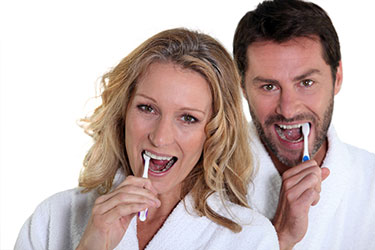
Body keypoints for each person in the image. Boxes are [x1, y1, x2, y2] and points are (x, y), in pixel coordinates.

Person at [15, 28, 278, 250]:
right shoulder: (53, 218)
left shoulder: (249, 238)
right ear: (123, 112)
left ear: (215, 132)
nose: (160, 138)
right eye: (147, 108)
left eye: (188, 118)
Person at [233, 0, 375, 249]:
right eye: (269, 86)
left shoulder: (370, 182)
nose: (288, 110)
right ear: (243, 86)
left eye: (306, 83)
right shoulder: (203, 179)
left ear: (337, 77)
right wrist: (280, 238)